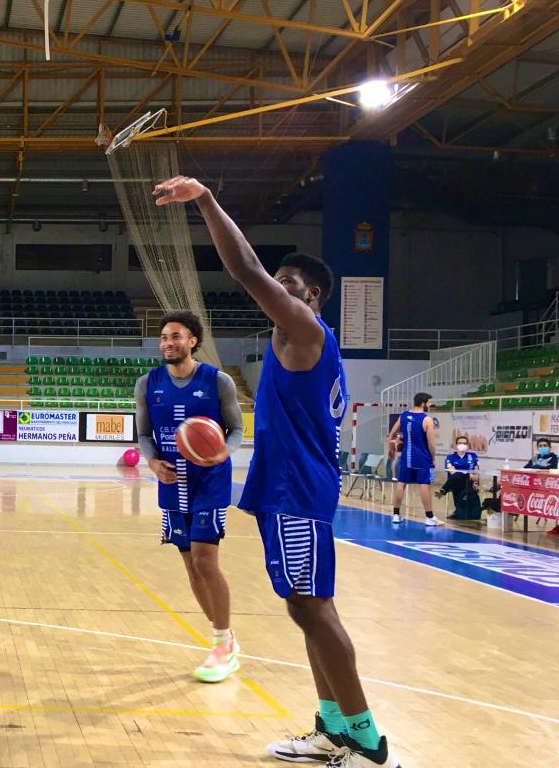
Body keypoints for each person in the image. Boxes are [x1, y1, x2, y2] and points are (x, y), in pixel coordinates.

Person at [155, 175, 399, 768]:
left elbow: (245, 272)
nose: (276, 290)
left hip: (298, 488)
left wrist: (208, 200)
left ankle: (367, 743)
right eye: (280, 284)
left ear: (311, 297)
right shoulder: (300, 341)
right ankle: (333, 728)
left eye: (289, 285)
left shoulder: (307, 330)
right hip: (285, 486)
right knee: (303, 607)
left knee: (314, 608)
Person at [135, 311, 245, 683]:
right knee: (190, 566)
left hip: (210, 480)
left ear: (193, 341)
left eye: (176, 337)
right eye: (164, 337)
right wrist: (152, 463)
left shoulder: (219, 381)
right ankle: (225, 639)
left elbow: (237, 428)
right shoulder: (147, 383)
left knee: (205, 559)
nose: (168, 343)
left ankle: (221, 644)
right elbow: (145, 435)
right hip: (171, 481)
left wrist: (223, 452)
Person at [387, 393, 440, 526]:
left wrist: (391, 448)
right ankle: (429, 517)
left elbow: (392, 434)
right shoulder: (427, 419)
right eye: (429, 403)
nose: (430, 405)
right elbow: (431, 444)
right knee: (424, 484)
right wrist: (433, 457)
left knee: (401, 484)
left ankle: (396, 514)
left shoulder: (403, 415)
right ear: (423, 403)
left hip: (406, 456)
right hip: (422, 456)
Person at [524, 439, 559, 535]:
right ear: (537, 448)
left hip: (550, 490)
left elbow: (551, 469)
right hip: (534, 488)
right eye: (540, 446)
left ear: (549, 447)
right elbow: (525, 468)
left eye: (545, 445)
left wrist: (536, 467)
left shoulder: (554, 458)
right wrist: (536, 466)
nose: (542, 447)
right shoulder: (535, 458)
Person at [440, 437, 481, 521]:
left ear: (467, 445)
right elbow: (453, 473)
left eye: (465, 443)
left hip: (469, 483)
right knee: (457, 476)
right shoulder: (450, 457)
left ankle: (443, 490)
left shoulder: (473, 456)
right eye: (460, 443)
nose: (462, 445)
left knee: (475, 516)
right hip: (456, 483)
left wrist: (476, 481)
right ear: (456, 445)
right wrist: (468, 475)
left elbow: (476, 475)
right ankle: (459, 511)